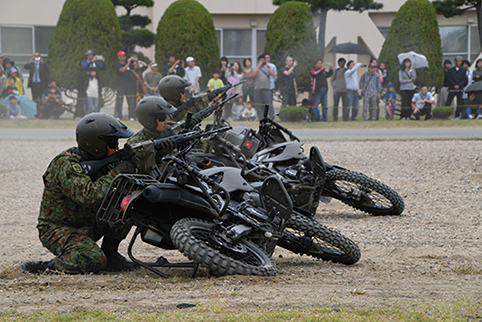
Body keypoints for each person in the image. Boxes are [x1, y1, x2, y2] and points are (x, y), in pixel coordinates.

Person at [20, 113, 138, 274]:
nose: (117, 148)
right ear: (96, 145)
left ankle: (111, 255)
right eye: (113, 143)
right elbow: (89, 196)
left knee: (127, 204)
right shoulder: (66, 164)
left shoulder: (104, 159)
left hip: (88, 223)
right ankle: (46, 266)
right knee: (94, 260)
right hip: (59, 229)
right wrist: (117, 173)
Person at [115, 51, 138, 121]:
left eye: (125, 56)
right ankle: (119, 116)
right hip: (121, 86)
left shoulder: (129, 65)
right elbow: (122, 70)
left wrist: (136, 62)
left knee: (131, 102)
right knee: (119, 102)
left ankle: (131, 116)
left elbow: (136, 67)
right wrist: (128, 63)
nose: (124, 57)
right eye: (123, 56)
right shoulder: (118, 65)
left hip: (130, 86)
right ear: (119, 57)